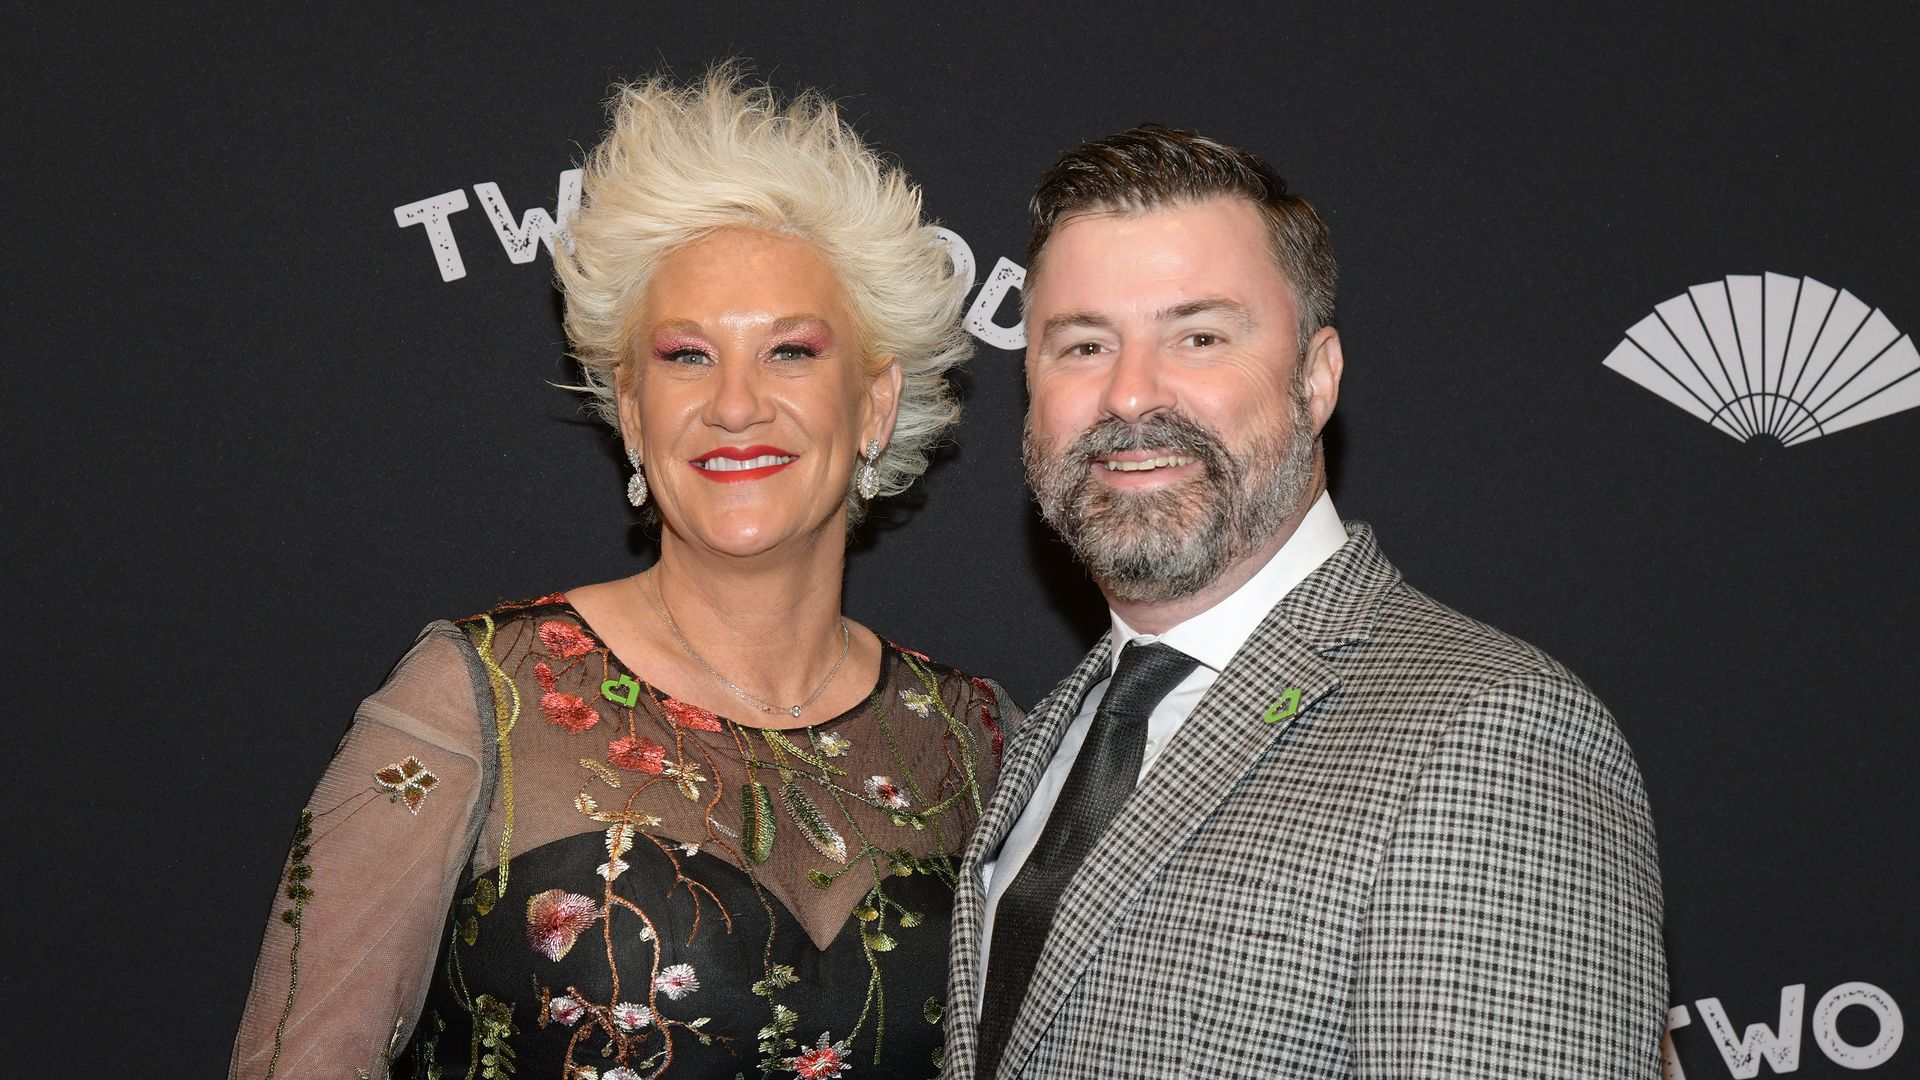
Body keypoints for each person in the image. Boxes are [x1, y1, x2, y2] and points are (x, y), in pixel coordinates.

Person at [230, 69, 1017, 1080]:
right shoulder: (478, 702)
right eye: (688, 357)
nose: (736, 406)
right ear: (634, 410)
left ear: (872, 405)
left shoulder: (980, 740)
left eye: (790, 352)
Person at [943, 125, 1666, 1078]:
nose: (1128, 396)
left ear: (1317, 378)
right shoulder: (1050, 736)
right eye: (1083, 345)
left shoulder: (1490, 732)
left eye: (1198, 336)